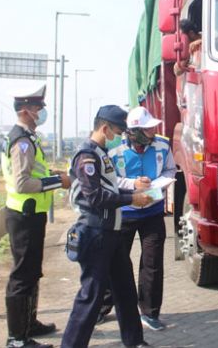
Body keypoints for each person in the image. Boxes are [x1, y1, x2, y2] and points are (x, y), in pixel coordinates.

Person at [61, 105, 153, 348]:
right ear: (104, 128)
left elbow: (109, 189)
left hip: (112, 233)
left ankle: (134, 341)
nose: (120, 137)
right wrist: (131, 199)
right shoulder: (87, 156)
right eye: (118, 131)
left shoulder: (101, 153)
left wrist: (133, 188)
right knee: (90, 296)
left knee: (125, 291)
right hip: (95, 233)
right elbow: (95, 197)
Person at [2, 84, 72, 348]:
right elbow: (22, 183)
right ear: (25, 110)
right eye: (38, 108)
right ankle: (17, 338)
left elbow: (36, 171)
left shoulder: (29, 137)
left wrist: (54, 174)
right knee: (22, 275)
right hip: (24, 214)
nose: (42, 112)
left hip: (32, 213)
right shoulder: (21, 140)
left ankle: (29, 323)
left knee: (32, 272)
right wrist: (58, 182)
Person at [100, 107, 177, 331]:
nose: (153, 130)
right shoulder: (114, 150)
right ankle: (103, 306)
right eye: (148, 127)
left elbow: (171, 170)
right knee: (116, 263)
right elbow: (109, 181)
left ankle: (150, 312)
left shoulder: (163, 145)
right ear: (134, 131)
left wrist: (155, 185)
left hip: (152, 212)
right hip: (124, 213)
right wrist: (134, 185)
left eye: (153, 126)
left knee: (152, 264)